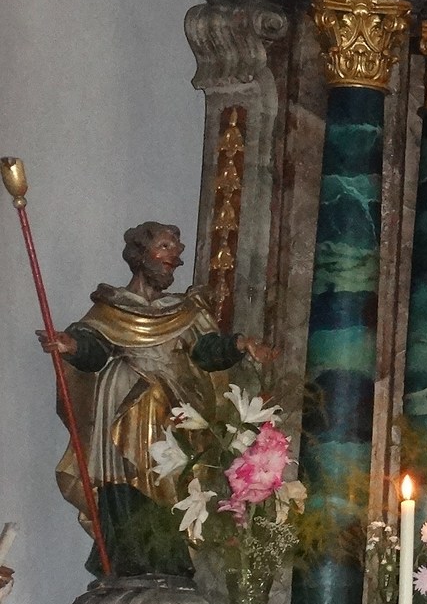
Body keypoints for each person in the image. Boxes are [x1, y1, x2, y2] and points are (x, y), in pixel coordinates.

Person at [39, 222, 275, 576]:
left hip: (170, 412)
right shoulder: (112, 308)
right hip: (117, 411)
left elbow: (206, 351)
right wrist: (72, 346)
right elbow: (95, 349)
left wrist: (239, 344)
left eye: (176, 253)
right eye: (165, 247)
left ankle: (167, 557)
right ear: (140, 254)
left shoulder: (183, 311)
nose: (174, 258)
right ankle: (122, 556)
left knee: (170, 479)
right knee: (121, 481)